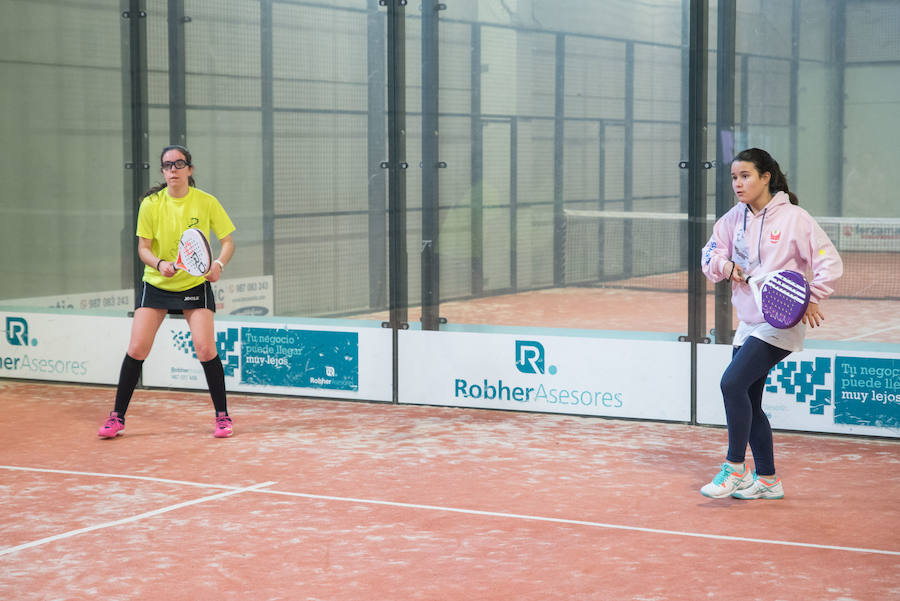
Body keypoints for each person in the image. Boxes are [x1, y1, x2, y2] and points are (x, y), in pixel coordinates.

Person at [699, 147, 842, 499]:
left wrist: (810, 296)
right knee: (749, 397)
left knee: (732, 384)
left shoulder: (795, 218)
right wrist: (725, 266)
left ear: (766, 177)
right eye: (734, 177)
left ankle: (735, 467)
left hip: (781, 320)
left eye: (745, 175)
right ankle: (768, 479)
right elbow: (709, 255)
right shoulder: (734, 218)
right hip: (749, 320)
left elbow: (830, 263)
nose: (738, 183)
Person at [98, 145, 236, 439]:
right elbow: (143, 249)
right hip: (157, 284)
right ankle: (116, 418)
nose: (173, 169)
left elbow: (228, 242)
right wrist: (160, 264)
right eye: (167, 165)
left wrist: (219, 264)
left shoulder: (206, 202)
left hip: (194, 285)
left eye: (179, 164)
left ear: (190, 169)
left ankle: (222, 417)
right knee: (136, 349)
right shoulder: (151, 204)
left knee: (206, 349)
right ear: (162, 171)